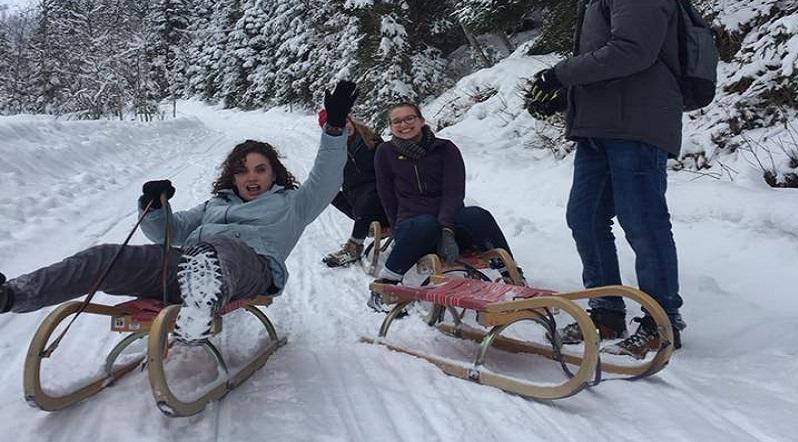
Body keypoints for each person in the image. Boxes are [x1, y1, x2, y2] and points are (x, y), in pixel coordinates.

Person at [0, 81, 358, 343]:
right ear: (232, 176)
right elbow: (166, 233)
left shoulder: (293, 203)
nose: (251, 177)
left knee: (222, 250)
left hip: (251, 269)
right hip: (189, 267)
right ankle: (15, 294)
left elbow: (328, 174)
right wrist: (155, 206)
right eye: (242, 170)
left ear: (273, 173)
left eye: (260, 169)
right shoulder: (215, 205)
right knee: (106, 256)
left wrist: (335, 128)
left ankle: (198, 316)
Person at [526, 0, 686, 358]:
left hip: (636, 125)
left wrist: (560, 73)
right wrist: (560, 97)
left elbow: (633, 50)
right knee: (584, 218)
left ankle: (660, 321)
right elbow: (604, 66)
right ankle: (607, 312)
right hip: (600, 127)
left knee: (643, 221)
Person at [368, 102, 514, 312]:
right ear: (391, 127)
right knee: (425, 224)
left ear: (421, 121)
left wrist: (446, 228)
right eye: (397, 121)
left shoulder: (445, 149)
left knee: (477, 215)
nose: (404, 125)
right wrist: (400, 229)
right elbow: (387, 196)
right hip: (416, 228)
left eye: (409, 118)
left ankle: (511, 275)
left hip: (450, 226)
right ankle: (385, 285)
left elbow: (454, 191)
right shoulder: (385, 152)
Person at [318, 111, 389, 267]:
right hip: (356, 199)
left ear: (350, 120)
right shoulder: (333, 153)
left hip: (381, 198)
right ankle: (363, 222)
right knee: (328, 193)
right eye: (336, 128)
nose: (343, 128)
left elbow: (389, 170)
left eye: (345, 122)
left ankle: (354, 246)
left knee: (372, 196)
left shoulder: (372, 140)